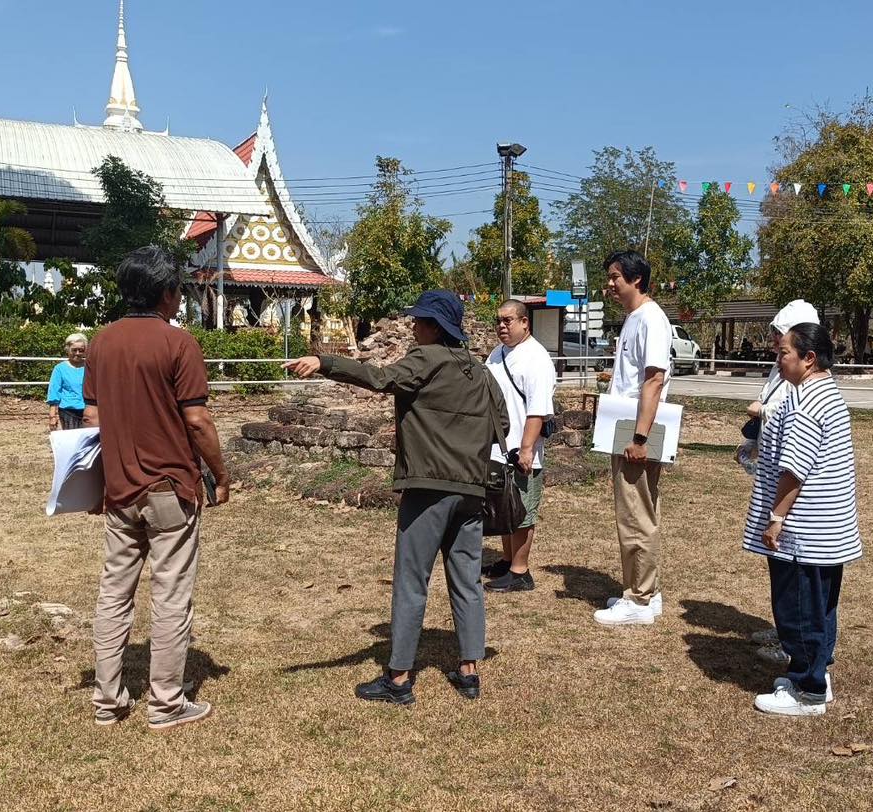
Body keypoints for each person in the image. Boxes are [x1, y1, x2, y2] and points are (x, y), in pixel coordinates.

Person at [284, 290, 509, 705]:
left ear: (435, 327)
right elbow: (504, 425)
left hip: (427, 488)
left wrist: (325, 362)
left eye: (419, 320)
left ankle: (400, 678)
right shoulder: (479, 370)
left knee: (411, 581)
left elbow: (379, 378)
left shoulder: (426, 359)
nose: (413, 326)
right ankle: (468, 671)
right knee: (467, 580)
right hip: (472, 490)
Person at [82, 246, 230, 731]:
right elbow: (197, 420)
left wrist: (96, 483)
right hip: (170, 488)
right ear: (167, 293)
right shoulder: (179, 343)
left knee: (114, 593)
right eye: (178, 288)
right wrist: (221, 474)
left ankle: (108, 700)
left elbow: (92, 418)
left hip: (119, 488)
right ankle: (167, 703)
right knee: (170, 595)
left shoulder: (100, 343)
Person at [743, 322, 862, 716]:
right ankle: (815, 674)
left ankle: (807, 690)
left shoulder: (805, 404)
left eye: (784, 353)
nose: (778, 359)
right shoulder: (826, 393)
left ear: (809, 358)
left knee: (798, 608)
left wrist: (776, 517)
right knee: (820, 607)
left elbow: (794, 470)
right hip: (826, 530)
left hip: (804, 532)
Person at [738, 300, 820, 666]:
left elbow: (791, 418)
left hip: (793, 496)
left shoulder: (807, 382)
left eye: (781, 336)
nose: (775, 343)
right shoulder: (782, 368)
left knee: (796, 573)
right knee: (782, 569)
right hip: (775, 475)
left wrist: (762, 411)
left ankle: (795, 647)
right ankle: (785, 630)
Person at [594, 250, 673, 626]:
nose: (609, 284)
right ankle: (646, 591)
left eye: (615, 277)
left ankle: (639, 600)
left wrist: (640, 438)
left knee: (635, 513)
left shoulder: (651, 319)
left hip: (637, 428)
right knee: (637, 510)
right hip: (626, 423)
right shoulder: (634, 318)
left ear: (636, 279)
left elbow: (654, 379)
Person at [481, 300, 557, 593]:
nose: (501, 326)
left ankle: (520, 571)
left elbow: (538, 409)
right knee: (504, 505)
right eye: (498, 321)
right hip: (497, 447)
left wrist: (527, 449)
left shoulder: (536, 358)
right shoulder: (497, 354)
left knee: (523, 509)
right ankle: (507, 559)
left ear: (525, 322)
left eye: (508, 320)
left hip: (521, 449)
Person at [46, 333, 88, 430]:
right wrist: (52, 416)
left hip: (88, 410)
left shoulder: (90, 367)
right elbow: (54, 392)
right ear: (68, 349)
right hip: (68, 411)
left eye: (81, 350)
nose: (77, 353)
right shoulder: (60, 369)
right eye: (74, 350)